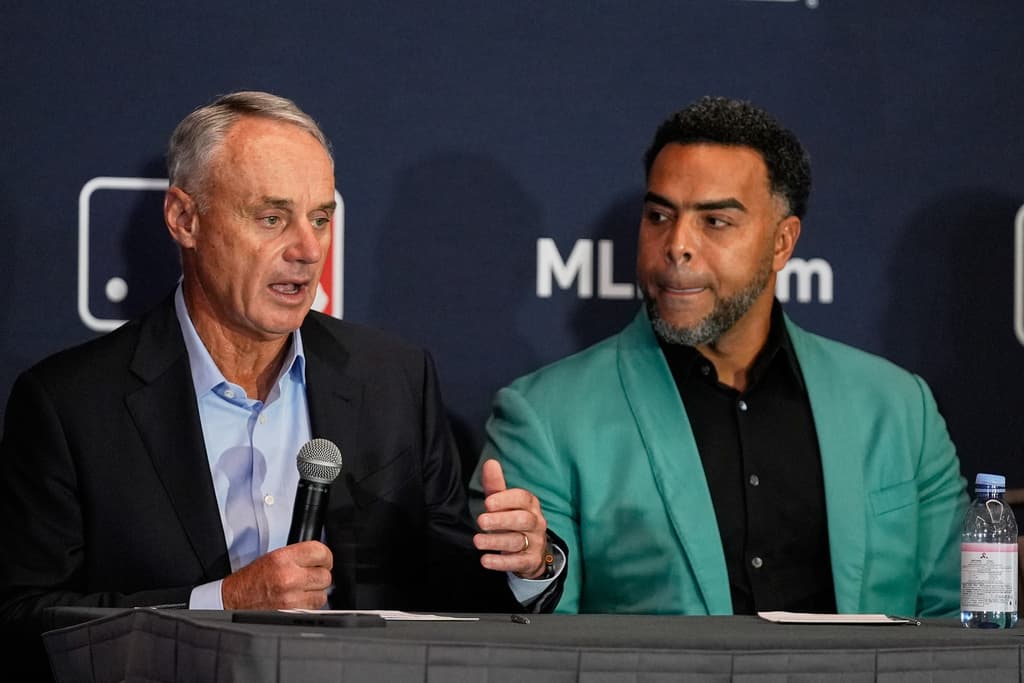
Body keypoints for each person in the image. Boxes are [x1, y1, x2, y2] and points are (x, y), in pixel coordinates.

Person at [0, 91, 564, 680]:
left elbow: (445, 591)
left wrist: (523, 564)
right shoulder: (71, 403)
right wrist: (222, 604)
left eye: (320, 218)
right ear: (184, 219)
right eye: (272, 218)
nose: (307, 249)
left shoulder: (393, 378)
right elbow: (22, 620)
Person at [472, 95, 967, 617]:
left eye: (715, 222)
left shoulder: (900, 408)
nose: (677, 245)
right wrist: (538, 568)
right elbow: (540, 645)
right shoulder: (544, 416)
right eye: (659, 215)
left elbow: (956, 618)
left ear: (782, 242)